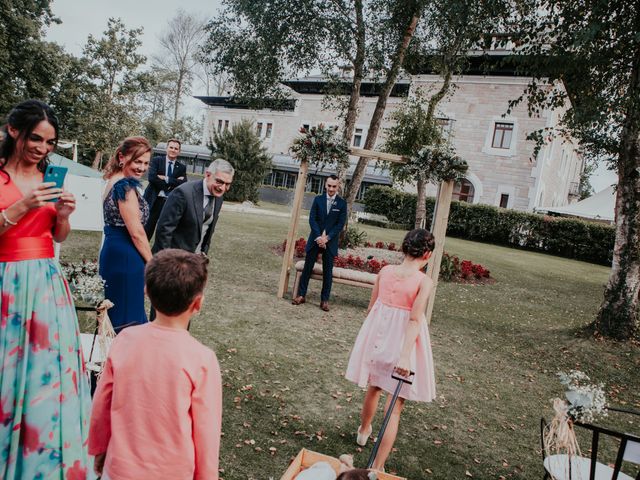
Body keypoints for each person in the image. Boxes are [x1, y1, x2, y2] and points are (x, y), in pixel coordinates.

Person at [0, 100, 93, 478]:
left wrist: (65, 218)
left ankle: (39, 462)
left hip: (45, 288)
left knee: (47, 378)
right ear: (13, 131)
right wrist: (21, 207)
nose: (42, 148)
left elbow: (57, 236)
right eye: (35, 138)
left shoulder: (51, 178)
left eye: (50, 142)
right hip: (5, 283)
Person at [89, 249, 222, 480]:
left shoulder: (124, 340)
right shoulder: (202, 359)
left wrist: (100, 450)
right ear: (198, 303)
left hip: (120, 468)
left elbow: (101, 404)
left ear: (146, 292)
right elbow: (206, 432)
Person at [345, 228, 437, 471]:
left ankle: (364, 431)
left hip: (378, 337)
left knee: (374, 386)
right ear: (427, 254)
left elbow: (371, 306)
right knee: (393, 408)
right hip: (402, 344)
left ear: (404, 248)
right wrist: (405, 356)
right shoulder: (424, 281)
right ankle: (377, 466)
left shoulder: (385, 271)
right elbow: (415, 319)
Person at [99, 137, 152, 333]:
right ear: (122, 157)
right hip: (126, 258)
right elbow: (137, 233)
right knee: (129, 323)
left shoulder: (113, 180)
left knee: (117, 318)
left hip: (114, 254)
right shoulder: (125, 187)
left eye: (146, 163)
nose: (142, 167)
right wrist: (152, 263)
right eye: (137, 161)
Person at [153, 158, 234, 255]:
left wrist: (204, 251)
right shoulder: (183, 193)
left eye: (227, 184)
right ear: (207, 175)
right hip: (174, 260)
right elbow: (164, 230)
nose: (222, 188)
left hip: (195, 261)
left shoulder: (219, 198)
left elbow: (208, 229)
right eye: (219, 181)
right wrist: (168, 261)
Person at [292, 175, 347, 311]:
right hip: (315, 240)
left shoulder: (341, 204)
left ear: (338, 186)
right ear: (325, 185)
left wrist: (327, 238)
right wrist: (318, 237)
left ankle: (324, 300)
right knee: (307, 268)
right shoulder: (318, 200)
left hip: (330, 242)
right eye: (329, 186)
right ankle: (301, 295)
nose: (331, 189)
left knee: (328, 272)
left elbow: (340, 225)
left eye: (334, 186)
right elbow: (312, 219)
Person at [143, 138, 187, 239]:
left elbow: (183, 183)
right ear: (166, 149)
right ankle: (141, 254)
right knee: (146, 230)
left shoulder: (181, 167)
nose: (173, 150)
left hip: (169, 202)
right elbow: (152, 178)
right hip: (154, 201)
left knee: (164, 232)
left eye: (176, 148)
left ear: (179, 151)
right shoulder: (156, 161)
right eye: (171, 147)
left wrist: (166, 178)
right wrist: (173, 182)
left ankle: (159, 254)